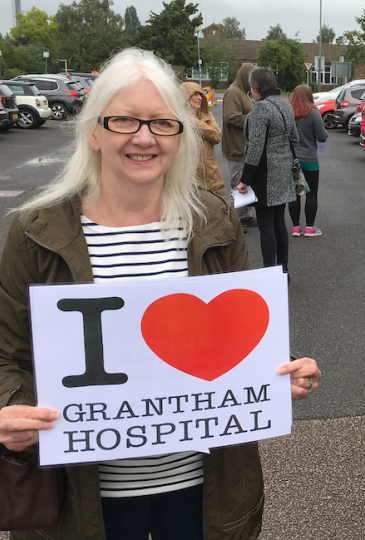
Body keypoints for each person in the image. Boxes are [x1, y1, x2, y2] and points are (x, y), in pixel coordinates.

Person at [0, 48, 321, 540]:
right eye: (124, 120)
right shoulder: (35, 231)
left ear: (181, 133)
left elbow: (234, 334)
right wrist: (12, 406)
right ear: (93, 131)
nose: (144, 137)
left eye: (162, 123)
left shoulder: (214, 221)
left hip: (200, 489)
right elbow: (8, 354)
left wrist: (283, 368)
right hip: (86, 498)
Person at [237, 67, 299, 273]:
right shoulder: (285, 104)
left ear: (256, 89)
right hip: (283, 172)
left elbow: (255, 149)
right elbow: (294, 138)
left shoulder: (260, 109)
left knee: (265, 225)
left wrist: (244, 180)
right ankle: (283, 270)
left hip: (265, 175)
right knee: (279, 222)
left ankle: (269, 273)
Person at [288, 84, 328, 237]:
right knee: (312, 194)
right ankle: (310, 228)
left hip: (292, 160)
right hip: (310, 160)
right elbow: (322, 137)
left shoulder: (288, 113)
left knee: (294, 194)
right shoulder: (314, 114)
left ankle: (296, 228)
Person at [222, 63, 257, 228]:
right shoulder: (233, 92)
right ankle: (231, 222)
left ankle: (244, 217)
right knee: (238, 185)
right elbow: (231, 116)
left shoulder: (243, 92)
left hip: (244, 146)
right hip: (236, 147)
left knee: (245, 182)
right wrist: (253, 120)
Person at [180, 81, 225, 196]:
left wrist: (197, 123)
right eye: (195, 94)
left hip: (210, 176)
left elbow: (217, 136)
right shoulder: (177, 118)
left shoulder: (207, 116)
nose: (199, 98)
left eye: (200, 95)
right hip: (189, 178)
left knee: (213, 210)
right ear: (185, 97)